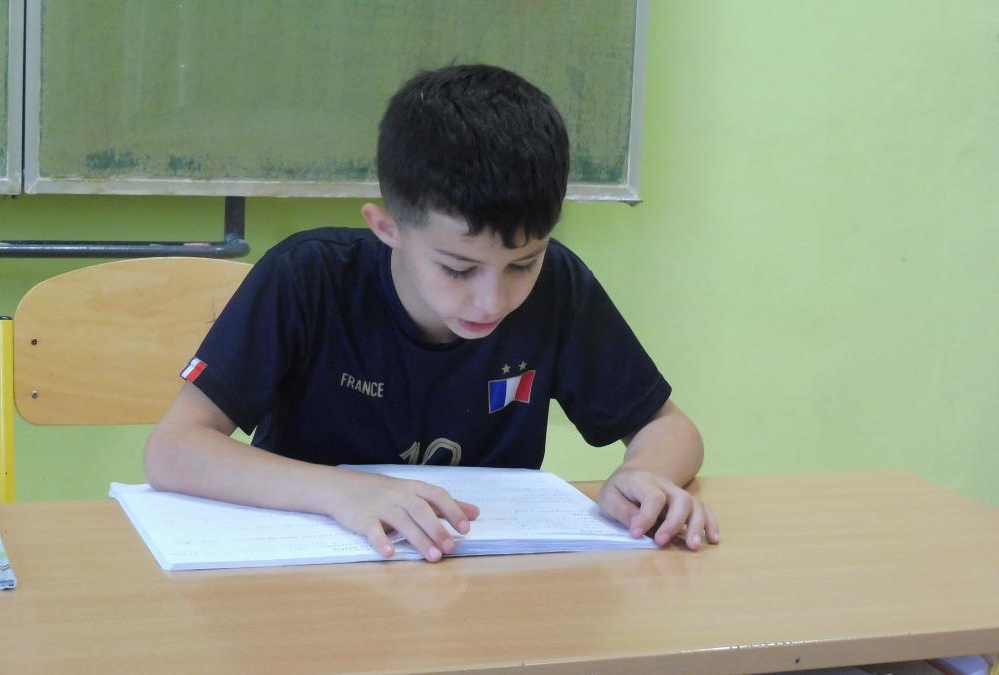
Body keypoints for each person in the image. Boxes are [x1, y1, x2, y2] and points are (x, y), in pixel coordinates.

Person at [145, 64, 719, 562]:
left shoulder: (559, 286)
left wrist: (643, 474)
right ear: (387, 228)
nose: (493, 301)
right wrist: (345, 492)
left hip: (479, 576)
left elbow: (668, 426)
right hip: (315, 576)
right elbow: (174, 449)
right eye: (458, 269)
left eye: (523, 264)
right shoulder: (308, 277)